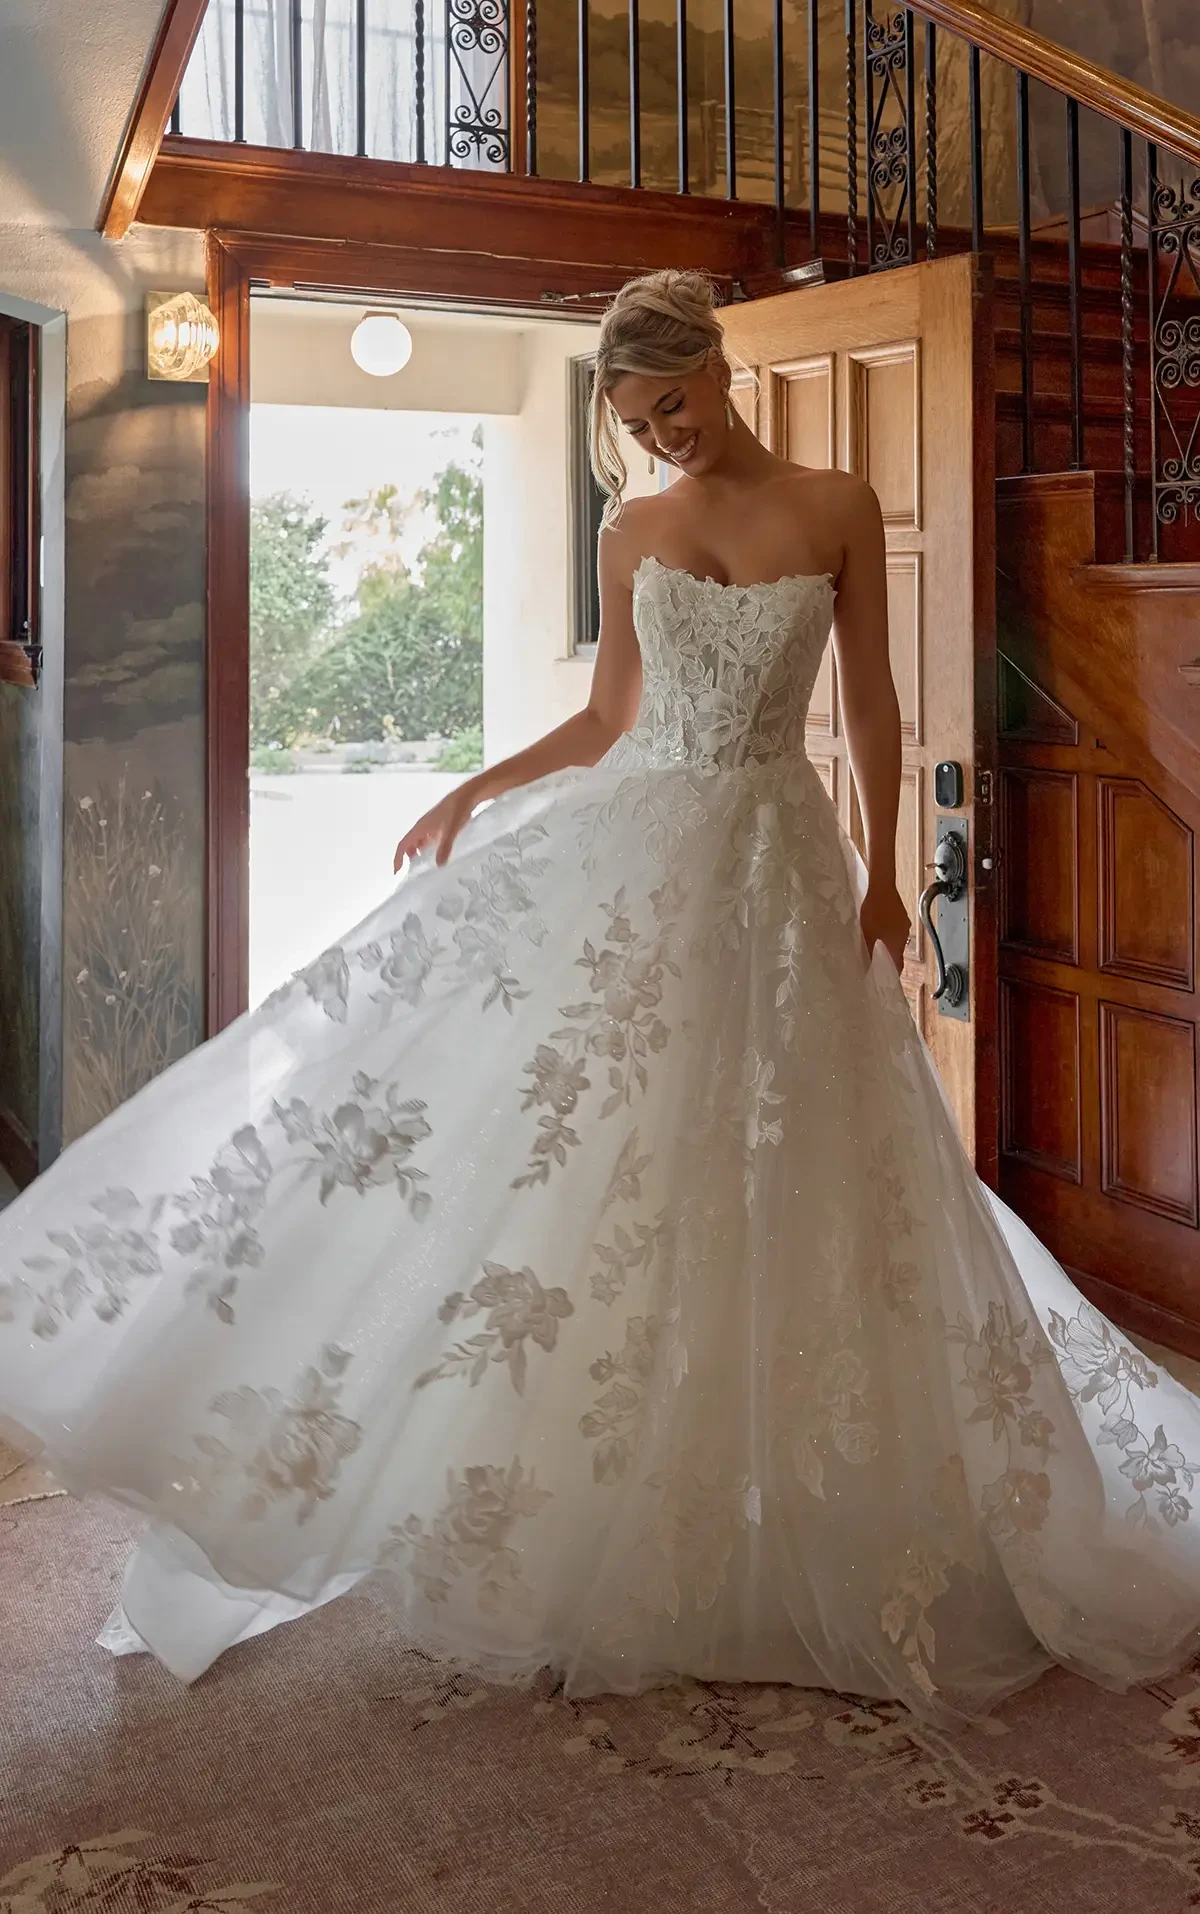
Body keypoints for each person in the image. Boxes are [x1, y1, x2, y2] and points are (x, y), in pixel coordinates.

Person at [3, 269, 1200, 1725]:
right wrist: (474, 786)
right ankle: (613, 1498)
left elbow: (874, 702)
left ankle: (810, 1491)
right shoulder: (633, 528)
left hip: (784, 866)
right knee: (623, 1160)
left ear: (719, 366)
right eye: (638, 423)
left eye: (675, 405)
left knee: (808, 1168)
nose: (664, 437)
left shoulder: (838, 504)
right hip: (650, 861)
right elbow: (606, 719)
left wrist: (886, 873)